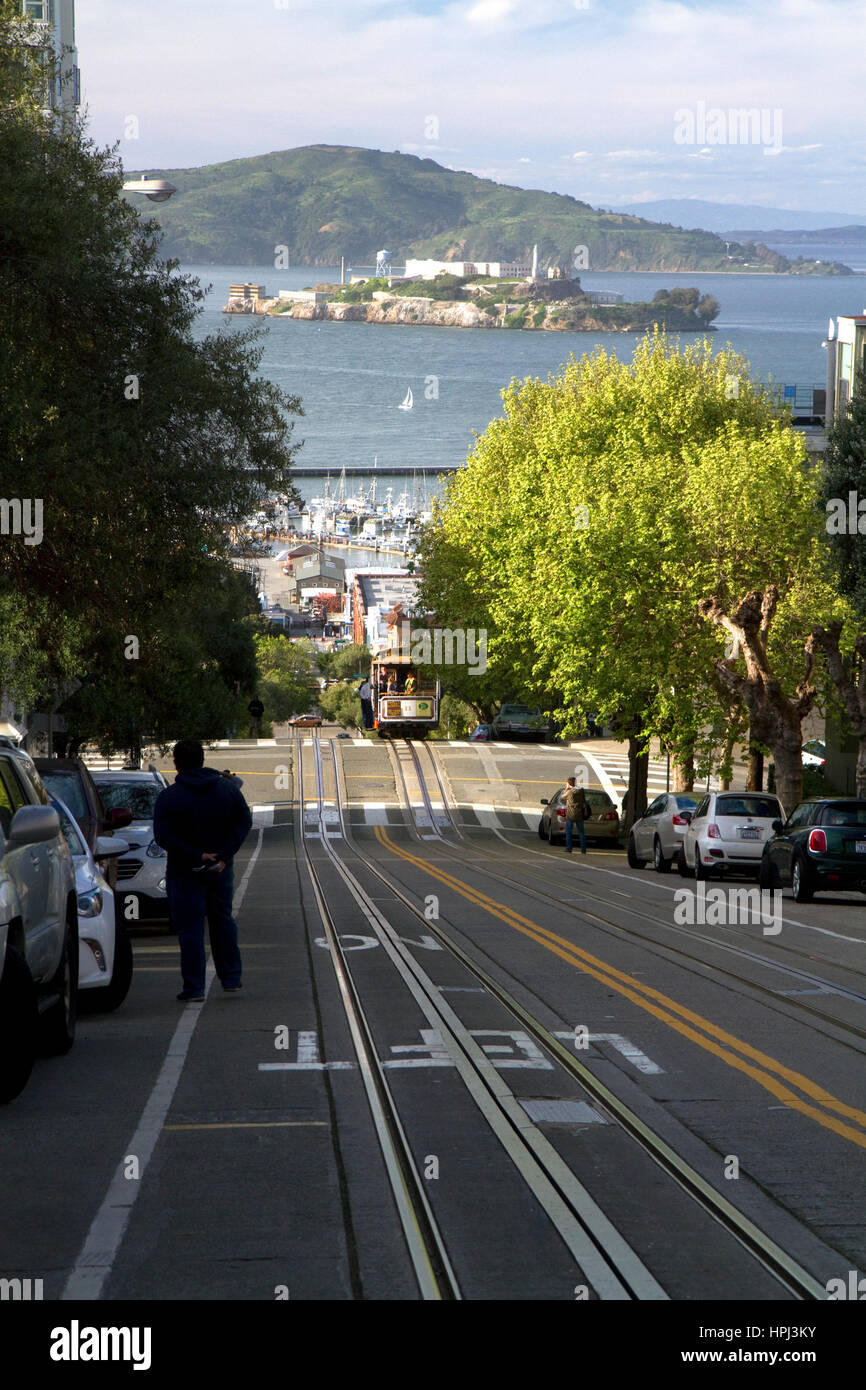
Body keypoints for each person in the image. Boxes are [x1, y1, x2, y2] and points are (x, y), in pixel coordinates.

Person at [153, 738, 253, 1001]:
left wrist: (196, 854)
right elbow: (243, 821)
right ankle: (231, 979)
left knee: (190, 929)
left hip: (184, 870)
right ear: (202, 760)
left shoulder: (169, 797)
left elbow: (163, 835)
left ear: (176, 764)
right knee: (222, 921)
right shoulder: (227, 790)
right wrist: (223, 855)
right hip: (220, 869)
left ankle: (194, 987)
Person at [563, 775, 587, 854]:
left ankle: (569, 848)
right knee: (581, 832)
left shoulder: (570, 791)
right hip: (579, 813)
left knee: (569, 831)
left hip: (570, 814)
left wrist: (566, 788)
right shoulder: (581, 790)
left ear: (569, 783)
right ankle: (583, 849)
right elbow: (584, 800)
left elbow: (562, 797)